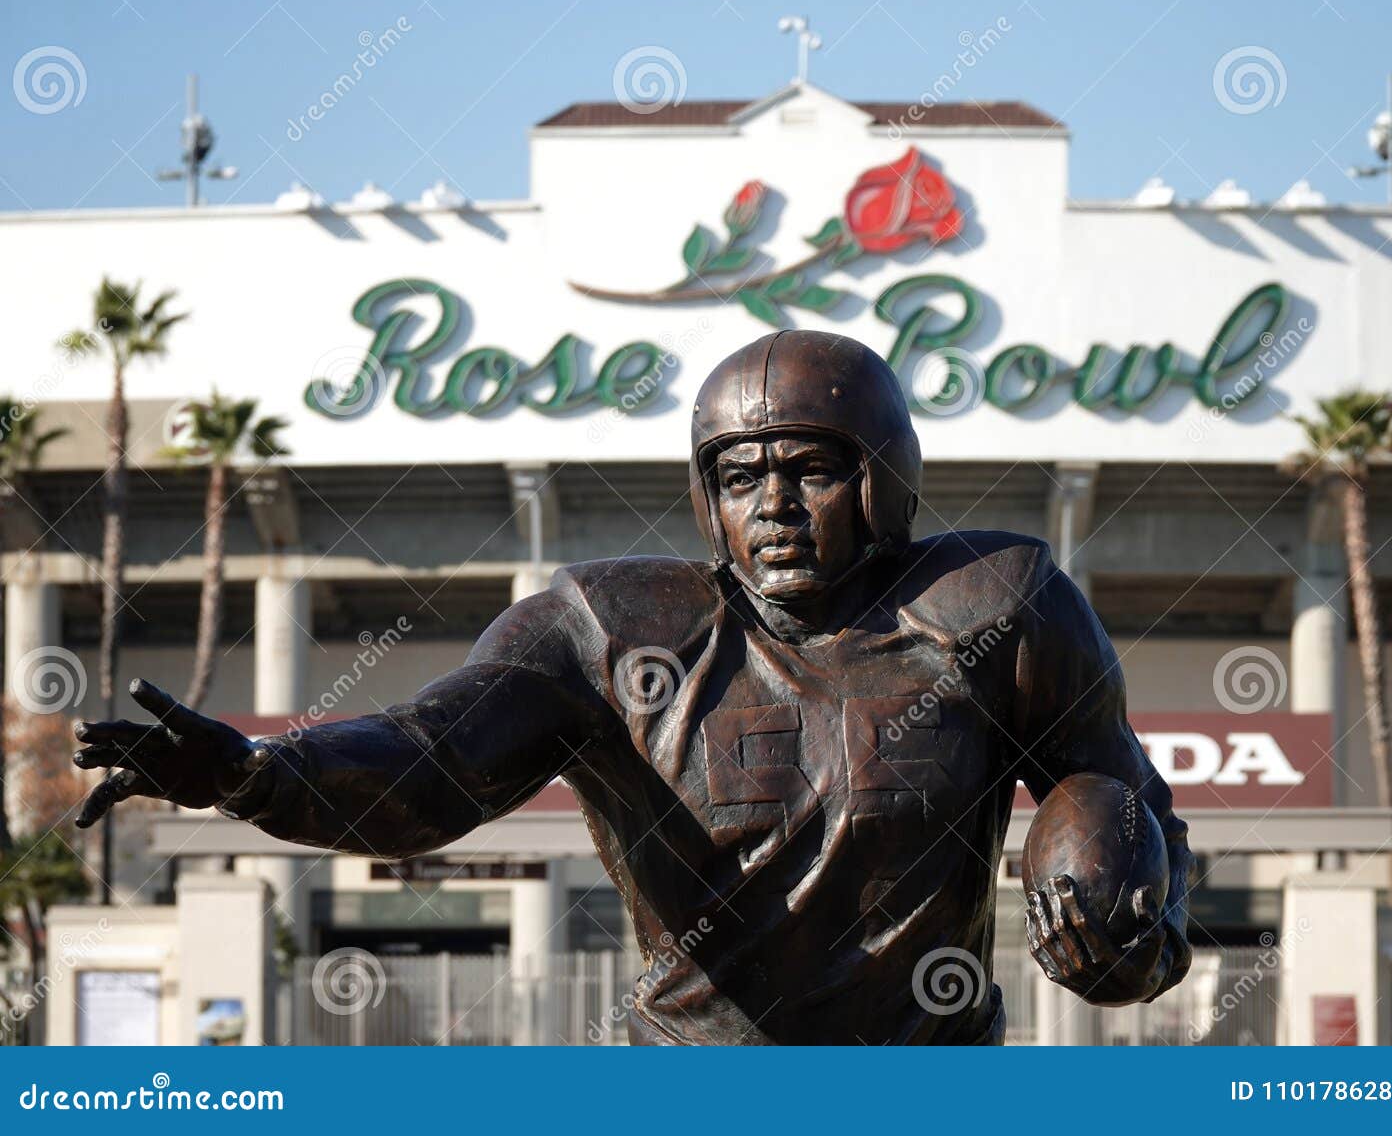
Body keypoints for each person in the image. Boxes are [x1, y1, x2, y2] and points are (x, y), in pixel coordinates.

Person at [72, 329, 1193, 1045]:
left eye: (810, 469)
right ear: (706, 496)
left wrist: (1141, 937)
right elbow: (433, 758)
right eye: (742, 476)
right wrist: (257, 773)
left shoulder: (997, 606)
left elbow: (1127, 796)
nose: (775, 506)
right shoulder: (610, 628)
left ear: (881, 476)